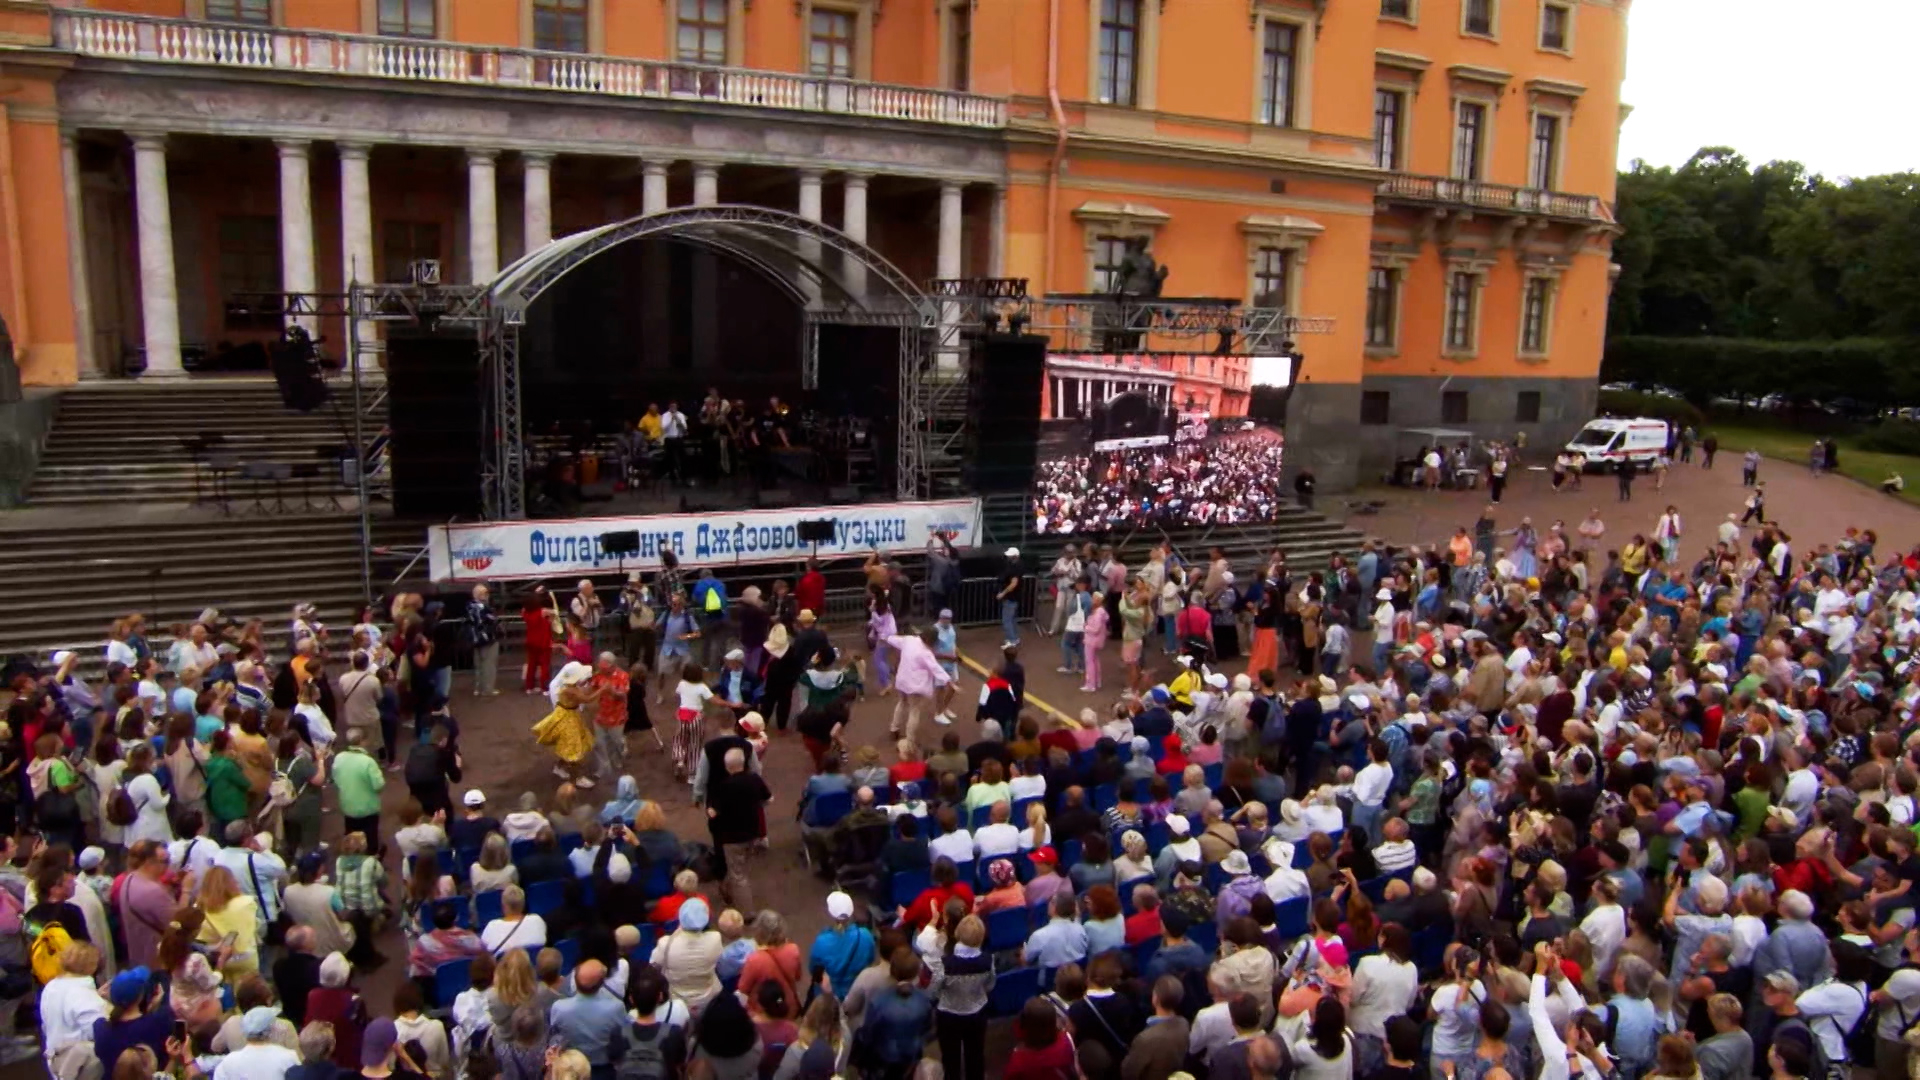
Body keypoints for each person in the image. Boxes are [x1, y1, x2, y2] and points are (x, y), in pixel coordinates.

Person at [707, 745, 772, 914]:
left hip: (732, 837)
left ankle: (748, 913)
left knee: (739, 875)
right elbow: (769, 799)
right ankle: (726, 887)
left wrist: (710, 810)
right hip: (753, 832)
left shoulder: (723, 787)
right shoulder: (755, 779)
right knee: (740, 868)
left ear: (728, 766)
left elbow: (713, 813)